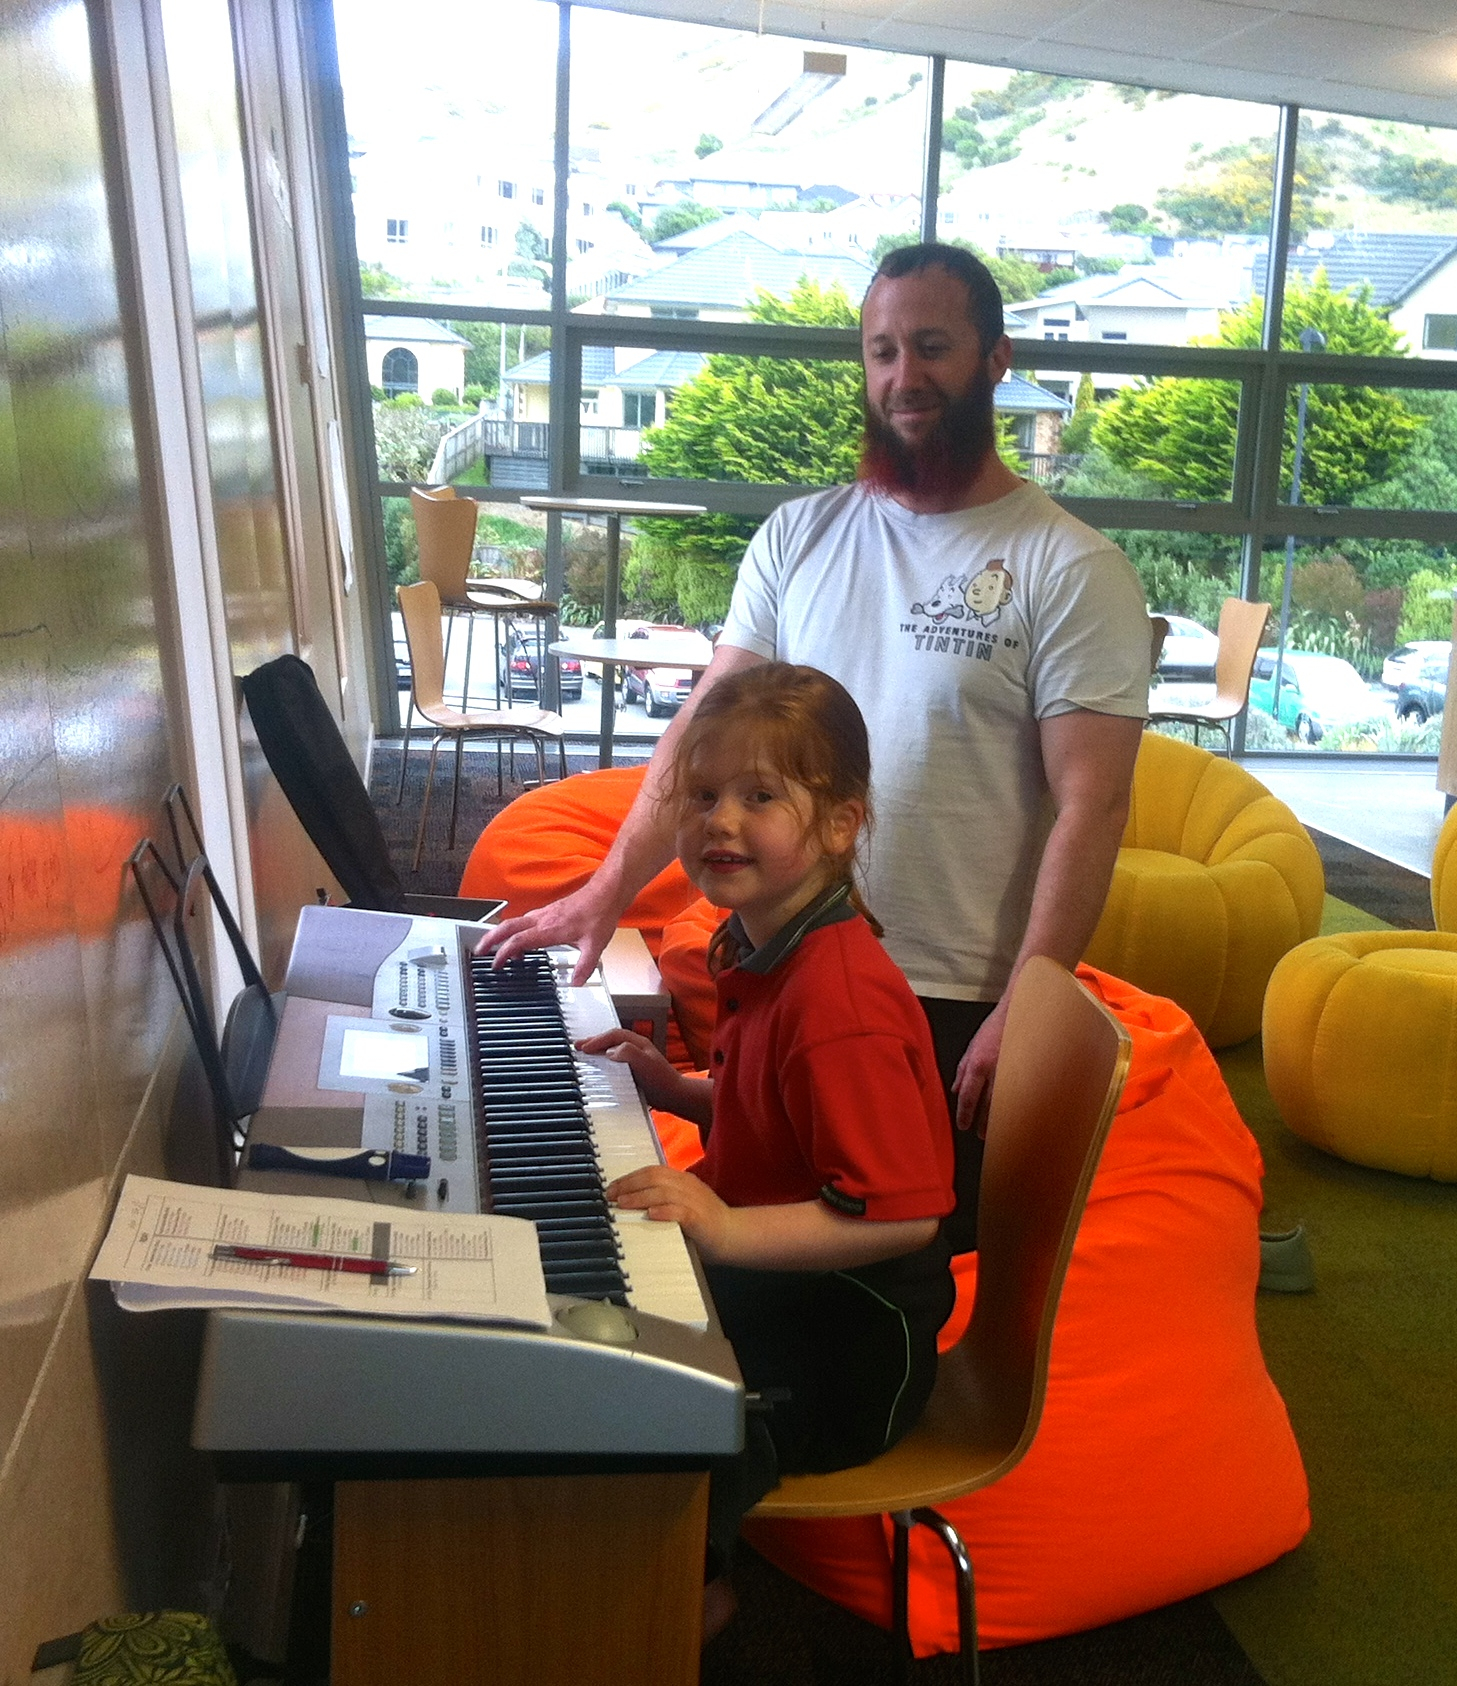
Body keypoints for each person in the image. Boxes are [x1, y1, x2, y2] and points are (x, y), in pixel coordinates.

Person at [483, 241, 1151, 1242]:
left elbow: (1092, 805)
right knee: (727, 1229)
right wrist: (603, 893)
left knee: (870, 1254)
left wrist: (1028, 999)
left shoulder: (1070, 568)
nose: (903, 376)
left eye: (931, 347)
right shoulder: (800, 535)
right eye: (882, 351)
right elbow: (702, 735)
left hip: (946, 996)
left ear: (995, 359)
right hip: (787, 961)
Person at [576, 662, 955, 1634]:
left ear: (840, 825)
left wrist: (726, 1230)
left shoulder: (839, 1003)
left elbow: (904, 1217)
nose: (720, 822)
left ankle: (688, 1596)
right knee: (608, 1328)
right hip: (793, 1290)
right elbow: (776, 1111)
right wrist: (678, 1092)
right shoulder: (763, 941)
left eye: (759, 797)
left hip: (850, 1345)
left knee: (653, 1394)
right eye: (702, 795)